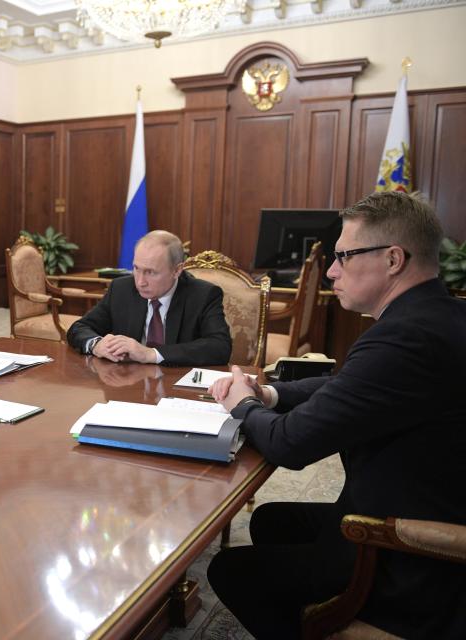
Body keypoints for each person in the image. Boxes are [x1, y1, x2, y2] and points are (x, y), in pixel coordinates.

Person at [207, 191, 466, 639]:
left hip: (409, 554)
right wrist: (270, 393)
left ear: (392, 259)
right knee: (270, 520)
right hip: (422, 497)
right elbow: (347, 387)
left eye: (344, 256)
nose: (330, 271)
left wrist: (242, 405)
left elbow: (291, 445)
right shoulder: (438, 316)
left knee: (231, 571)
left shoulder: (405, 339)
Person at [66, 230, 231, 366]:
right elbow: (79, 328)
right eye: (136, 269)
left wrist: (151, 354)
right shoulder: (121, 289)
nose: (140, 281)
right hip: (127, 387)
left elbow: (220, 347)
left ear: (177, 270)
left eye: (151, 272)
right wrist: (97, 345)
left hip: (176, 387)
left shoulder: (203, 295)